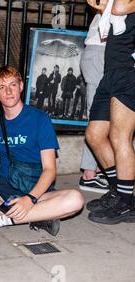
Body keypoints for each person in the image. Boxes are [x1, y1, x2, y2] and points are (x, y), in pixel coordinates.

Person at [0, 66, 84, 235]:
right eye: (2, 87)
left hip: (36, 189)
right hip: (4, 189)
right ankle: (38, 216)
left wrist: (30, 199)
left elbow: (50, 169)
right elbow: (4, 160)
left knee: (75, 200)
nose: (8, 91)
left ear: (21, 86)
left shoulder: (40, 119)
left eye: (13, 85)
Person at [85, 0, 135, 224]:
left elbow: (119, 8)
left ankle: (125, 202)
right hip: (112, 71)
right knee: (94, 135)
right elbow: (110, 7)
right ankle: (119, 191)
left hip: (130, 72)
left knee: (120, 135)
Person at [78, 9, 110, 194]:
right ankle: (90, 173)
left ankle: (97, 170)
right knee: (100, 115)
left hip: (102, 51)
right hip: (102, 51)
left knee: (106, 115)